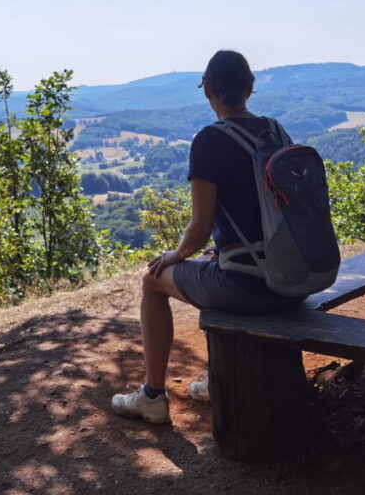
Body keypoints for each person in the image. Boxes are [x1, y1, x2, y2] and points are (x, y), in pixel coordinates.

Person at [111, 49, 305, 424]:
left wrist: (174, 256)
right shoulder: (276, 131)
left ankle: (151, 395)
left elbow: (199, 229)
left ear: (207, 92)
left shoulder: (209, 141)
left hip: (249, 286)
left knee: (151, 282)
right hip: (293, 277)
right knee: (214, 266)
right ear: (250, 88)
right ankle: (215, 382)